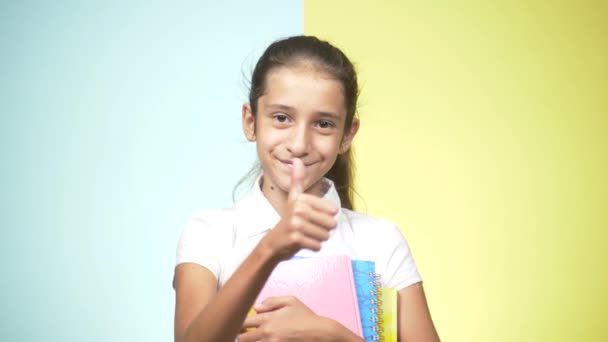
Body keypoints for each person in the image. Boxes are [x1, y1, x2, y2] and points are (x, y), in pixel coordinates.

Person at [173, 35, 440, 342]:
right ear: (251, 121)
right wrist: (270, 249)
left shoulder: (381, 241)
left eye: (323, 124)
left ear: (347, 135)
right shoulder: (209, 233)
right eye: (281, 118)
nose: (300, 144)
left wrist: (332, 335)